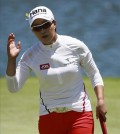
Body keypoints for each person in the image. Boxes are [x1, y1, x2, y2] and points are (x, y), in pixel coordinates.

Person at [6, 6, 107, 134]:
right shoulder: (30, 56)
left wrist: (100, 100)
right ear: (32, 31)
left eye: (46, 24)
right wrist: (11, 60)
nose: (42, 30)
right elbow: (13, 87)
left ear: (54, 23)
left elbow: (94, 73)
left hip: (80, 114)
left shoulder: (76, 46)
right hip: (49, 117)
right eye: (37, 28)